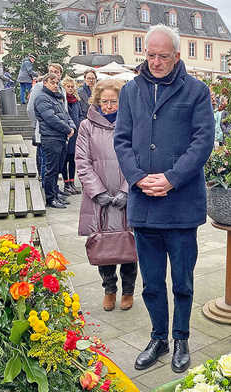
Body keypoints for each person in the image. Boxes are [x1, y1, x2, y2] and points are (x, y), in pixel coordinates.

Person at [114, 24, 214, 373]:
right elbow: (122, 141)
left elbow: (202, 142)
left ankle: (182, 338)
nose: (155, 62)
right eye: (150, 55)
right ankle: (158, 337)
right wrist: (138, 177)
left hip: (181, 206)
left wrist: (172, 179)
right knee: (152, 281)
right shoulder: (130, 91)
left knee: (182, 280)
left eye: (163, 56)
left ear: (177, 55)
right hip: (144, 205)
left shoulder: (197, 91)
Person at [75, 79, 137, 312]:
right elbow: (82, 161)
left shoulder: (132, 124)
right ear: (97, 101)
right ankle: (109, 289)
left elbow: (138, 159)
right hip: (99, 198)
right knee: (104, 247)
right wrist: (97, 191)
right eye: (105, 101)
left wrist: (126, 190)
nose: (109, 106)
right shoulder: (86, 126)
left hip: (126, 195)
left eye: (114, 101)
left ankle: (128, 291)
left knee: (129, 245)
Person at [34, 73, 75, 209]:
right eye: (52, 82)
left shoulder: (56, 98)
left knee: (57, 168)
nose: (55, 85)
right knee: (51, 170)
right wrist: (67, 129)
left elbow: (66, 115)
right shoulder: (42, 98)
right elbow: (51, 119)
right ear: (45, 83)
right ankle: (50, 198)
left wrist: (72, 127)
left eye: (57, 83)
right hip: (51, 138)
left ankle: (55, 195)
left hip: (60, 138)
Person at [27, 63, 67, 192]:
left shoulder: (61, 89)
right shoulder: (39, 87)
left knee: (56, 165)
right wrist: (37, 125)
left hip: (59, 132)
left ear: (61, 74)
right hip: (46, 132)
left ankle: (54, 189)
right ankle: (47, 191)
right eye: (51, 71)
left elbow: (64, 111)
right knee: (47, 164)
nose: (54, 73)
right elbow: (30, 109)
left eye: (57, 72)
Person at [61, 76, 84, 195]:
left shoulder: (76, 100)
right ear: (63, 87)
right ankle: (66, 184)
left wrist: (79, 125)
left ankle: (72, 182)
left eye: (71, 87)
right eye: (67, 86)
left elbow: (80, 114)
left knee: (73, 159)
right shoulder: (61, 100)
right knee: (65, 159)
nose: (70, 88)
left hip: (76, 134)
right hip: (66, 133)